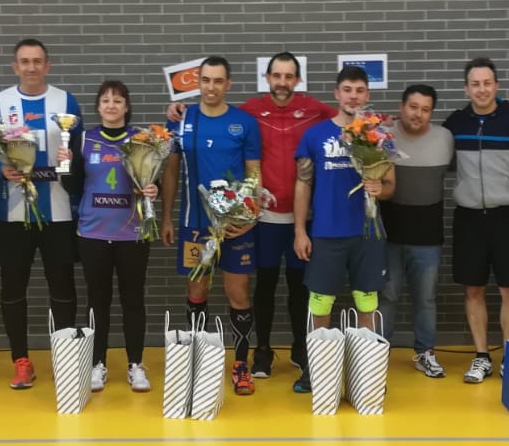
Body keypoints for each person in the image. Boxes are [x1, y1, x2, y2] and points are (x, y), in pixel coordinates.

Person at [161, 56, 263, 395]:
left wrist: (250, 219)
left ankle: (241, 365)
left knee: (238, 294)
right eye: (205, 80)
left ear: (228, 84)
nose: (211, 87)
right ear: (198, 82)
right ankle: (198, 361)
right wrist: (166, 216)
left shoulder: (244, 123)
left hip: (234, 228)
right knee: (196, 292)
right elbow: (171, 172)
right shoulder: (181, 120)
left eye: (218, 81)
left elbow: (254, 175)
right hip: (195, 225)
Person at [0, 39, 83, 392]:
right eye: (24, 61)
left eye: (37, 61)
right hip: (12, 213)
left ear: (47, 65)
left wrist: (69, 163)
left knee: (63, 287)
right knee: (13, 288)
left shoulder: (66, 101)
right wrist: (1, 169)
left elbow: (77, 151)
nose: (31, 67)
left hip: (58, 211)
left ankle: (65, 357)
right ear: (15, 66)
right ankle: (21, 361)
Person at [294, 66, 394, 391]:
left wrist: (380, 189)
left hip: (367, 234)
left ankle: (366, 373)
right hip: (326, 233)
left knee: (367, 302)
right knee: (320, 303)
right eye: (347, 90)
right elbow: (303, 184)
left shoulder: (379, 135)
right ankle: (318, 371)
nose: (353, 96)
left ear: (367, 95)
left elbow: (391, 185)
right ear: (337, 94)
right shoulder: (315, 135)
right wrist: (300, 231)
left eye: (360, 90)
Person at [443, 59, 509, 384]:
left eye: (487, 83)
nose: (482, 89)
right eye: (475, 84)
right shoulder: (455, 123)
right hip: (469, 218)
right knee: (473, 289)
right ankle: (482, 356)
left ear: (496, 86)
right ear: (466, 88)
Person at [238, 52, 333, 381]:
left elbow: (349, 119)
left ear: (298, 79)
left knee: (300, 288)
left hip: (302, 220)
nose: (282, 82)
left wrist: (381, 123)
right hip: (264, 219)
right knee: (264, 286)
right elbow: (217, 116)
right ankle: (263, 350)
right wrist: (179, 112)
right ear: (267, 78)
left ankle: (301, 348)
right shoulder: (249, 110)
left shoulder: (316, 110)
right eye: (276, 76)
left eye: (288, 76)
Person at [78, 80, 157, 394]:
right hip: (93, 233)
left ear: (127, 106)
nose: (111, 105)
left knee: (133, 299)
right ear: (98, 107)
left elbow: (153, 181)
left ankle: (135, 364)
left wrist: (154, 189)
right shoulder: (84, 139)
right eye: (106, 100)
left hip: (132, 233)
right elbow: (70, 183)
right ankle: (97, 363)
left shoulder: (142, 140)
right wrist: (63, 161)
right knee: (97, 301)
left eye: (118, 100)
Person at [378, 84, 454, 377]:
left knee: (426, 299)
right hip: (389, 235)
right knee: (387, 297)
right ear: (401, 107)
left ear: (431, 113)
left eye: (425, 109)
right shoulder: (383, 136)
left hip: (428, 237)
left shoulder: (445, 138)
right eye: (413, 107)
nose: (418, 114)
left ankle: (425, 353)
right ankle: (378, 355)